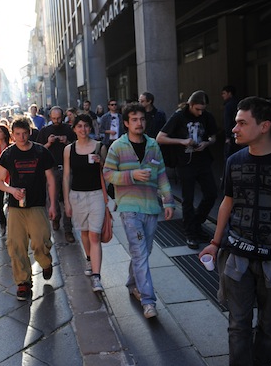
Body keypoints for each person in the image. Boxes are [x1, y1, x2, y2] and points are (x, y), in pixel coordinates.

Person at [199, 97, 271, 365]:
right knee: (238, 327)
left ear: (264, 126)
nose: (234, 129)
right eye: (236, 123)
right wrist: (215, 242)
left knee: (269, 330)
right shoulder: (234, 160)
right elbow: (227, 203)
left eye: (242, 123)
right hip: (238, 258)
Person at [103, 103, 175, 318]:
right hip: (129, 207)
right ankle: (148, 301)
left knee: (143, 252)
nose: (139, 123)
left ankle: (132, 282)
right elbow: (107, 174)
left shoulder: (153, 145)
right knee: (140, 253)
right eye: (134, 119)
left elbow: (161, 174)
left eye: (142, 119)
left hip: (151, 207)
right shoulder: (117, 146)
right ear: (126, 123)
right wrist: (132, 175)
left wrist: (169, 202)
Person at [0, 116, 57, 301]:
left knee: (40, 242)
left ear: (30, 133)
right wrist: (11, 190)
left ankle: (45, 262)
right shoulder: (7, 154)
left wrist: (54, 204)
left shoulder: (41, 152)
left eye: (24, 134)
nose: (21, 138)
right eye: (17, 134)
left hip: (37, 204)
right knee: (15, 245)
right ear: (12, 135)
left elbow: (51, 180)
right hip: (16, 207)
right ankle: (23, 282)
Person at [156, 90, 218, 249]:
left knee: (211, 193)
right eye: (197, 109)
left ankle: (197, 223)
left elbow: (213, 136)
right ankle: (190, 232)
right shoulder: (179, 116)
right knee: (188, 198)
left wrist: (207, 143)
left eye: (202, 109)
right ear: (190, 105)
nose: (200, 112)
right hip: (185, 162)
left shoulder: (207, 116)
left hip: (202, 160)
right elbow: (160, 137)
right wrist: (182, 141)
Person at [62, 114, 108, 292]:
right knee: (85, 233)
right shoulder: (69, 150)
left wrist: (101, 162)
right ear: (74, 129)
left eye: (86, 126)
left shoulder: (99, 146)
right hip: (77, 196)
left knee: (95, 235)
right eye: (79, 126)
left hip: (96, 195)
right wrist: (66, 201)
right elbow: (66, 177)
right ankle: (89, 259)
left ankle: (97, 277)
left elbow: (109, 171)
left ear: (91, 128)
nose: (83, 129)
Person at [36, 106, 77, 243]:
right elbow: (38, 150)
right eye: (53, 118)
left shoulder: (69, 129)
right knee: (52, 198)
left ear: (63, 116)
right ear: (50, 117)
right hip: (51, 169)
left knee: (68, 199)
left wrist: (67, 142)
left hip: (67, 168)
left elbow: (77, 147)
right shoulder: (45, 131)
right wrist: (49, 143)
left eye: (58, 118)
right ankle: (56, 218)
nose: (56, 121)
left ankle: (68, 229)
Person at [221, 85, 243, 160]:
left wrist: (227, 136)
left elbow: (227, 122)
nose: (222, 95)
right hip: (240, 131)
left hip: (231, 134)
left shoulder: (228, 105)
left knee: (229, 156)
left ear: (229, 93)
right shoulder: (239, 103)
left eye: (224, 93)